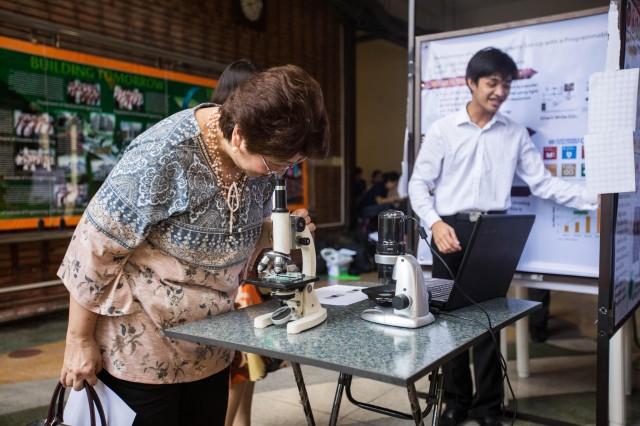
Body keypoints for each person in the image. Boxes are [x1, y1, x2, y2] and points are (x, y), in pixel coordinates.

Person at [58, 64, 330, 426]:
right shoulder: (165, 154)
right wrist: (78, 340)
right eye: (277, 163)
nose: (280, 173)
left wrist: (277, 231)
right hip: (142, 350)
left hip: (211, 346)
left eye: (293, 164)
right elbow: (92, 247)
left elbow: (236, 229)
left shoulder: (261, 163)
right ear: (239, 137)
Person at [408, 47, 597, 426]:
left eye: (506, 84)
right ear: (471, 84)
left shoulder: (513, 133)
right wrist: (434, 223)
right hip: (449, 231)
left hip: (492, 233)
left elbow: (542, 183)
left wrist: (595, 200)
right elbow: (418, 185)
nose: (500, 91)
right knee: (450, 325)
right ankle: (455, 403)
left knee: (488, 325)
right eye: (492, 83)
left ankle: (489, 408)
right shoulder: (444, 130)